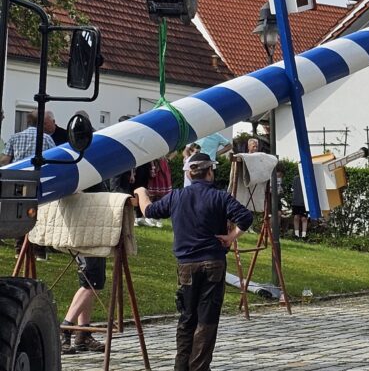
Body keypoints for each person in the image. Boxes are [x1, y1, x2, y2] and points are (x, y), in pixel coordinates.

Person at [136, 152, 253, 371]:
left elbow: (150, 211)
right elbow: (245, 217)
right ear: (210, 172)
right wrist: (231, 238)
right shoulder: (220, 197)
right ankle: (199, 367)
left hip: (186, 265)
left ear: (190, 173)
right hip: (213, 262)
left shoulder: (176, 196)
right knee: (207, 320)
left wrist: (142, 191)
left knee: (187, 317)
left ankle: (181, 367)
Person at [59, 179, 114, 355]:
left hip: (94, 231)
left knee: (91, 282)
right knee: (91, 282)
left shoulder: (95, 172)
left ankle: (83, 333)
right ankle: (65, 329)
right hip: (86, 232)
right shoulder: (84, 172)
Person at [291, 173, 309, 239]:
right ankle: (296, 234)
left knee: (304, 218)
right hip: (296, 201)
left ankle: (304, 235)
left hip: (305, 202)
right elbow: (293, 189)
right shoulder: (295, 178)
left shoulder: (307, 178)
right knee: (296, 217)